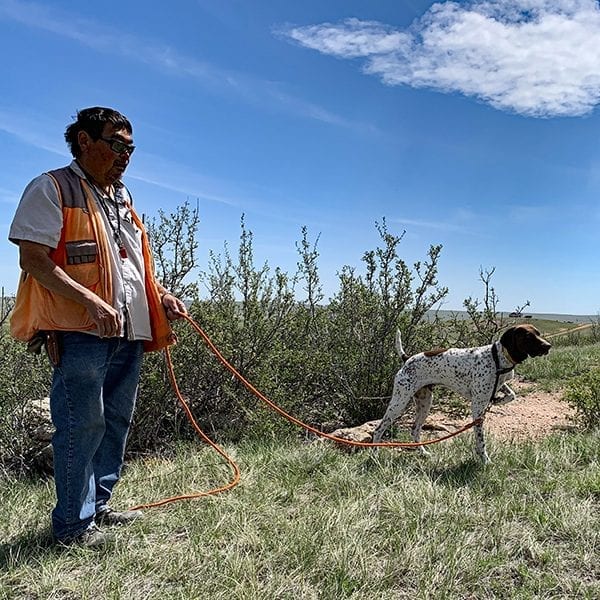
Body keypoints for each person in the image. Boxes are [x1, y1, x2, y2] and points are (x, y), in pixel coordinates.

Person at [9, 106, 187, 548]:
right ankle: (72, 527)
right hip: (80, 331)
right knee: (81, 424)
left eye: (130, 147)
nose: (126, 154)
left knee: (115, 421)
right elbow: (32, 259)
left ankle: (98, 507)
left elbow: (131, 264)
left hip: (129, 328)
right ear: (85, 142)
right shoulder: (51, 187)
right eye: (116, 144)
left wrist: (161, 296)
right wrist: (90, 300)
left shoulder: (123, 197)